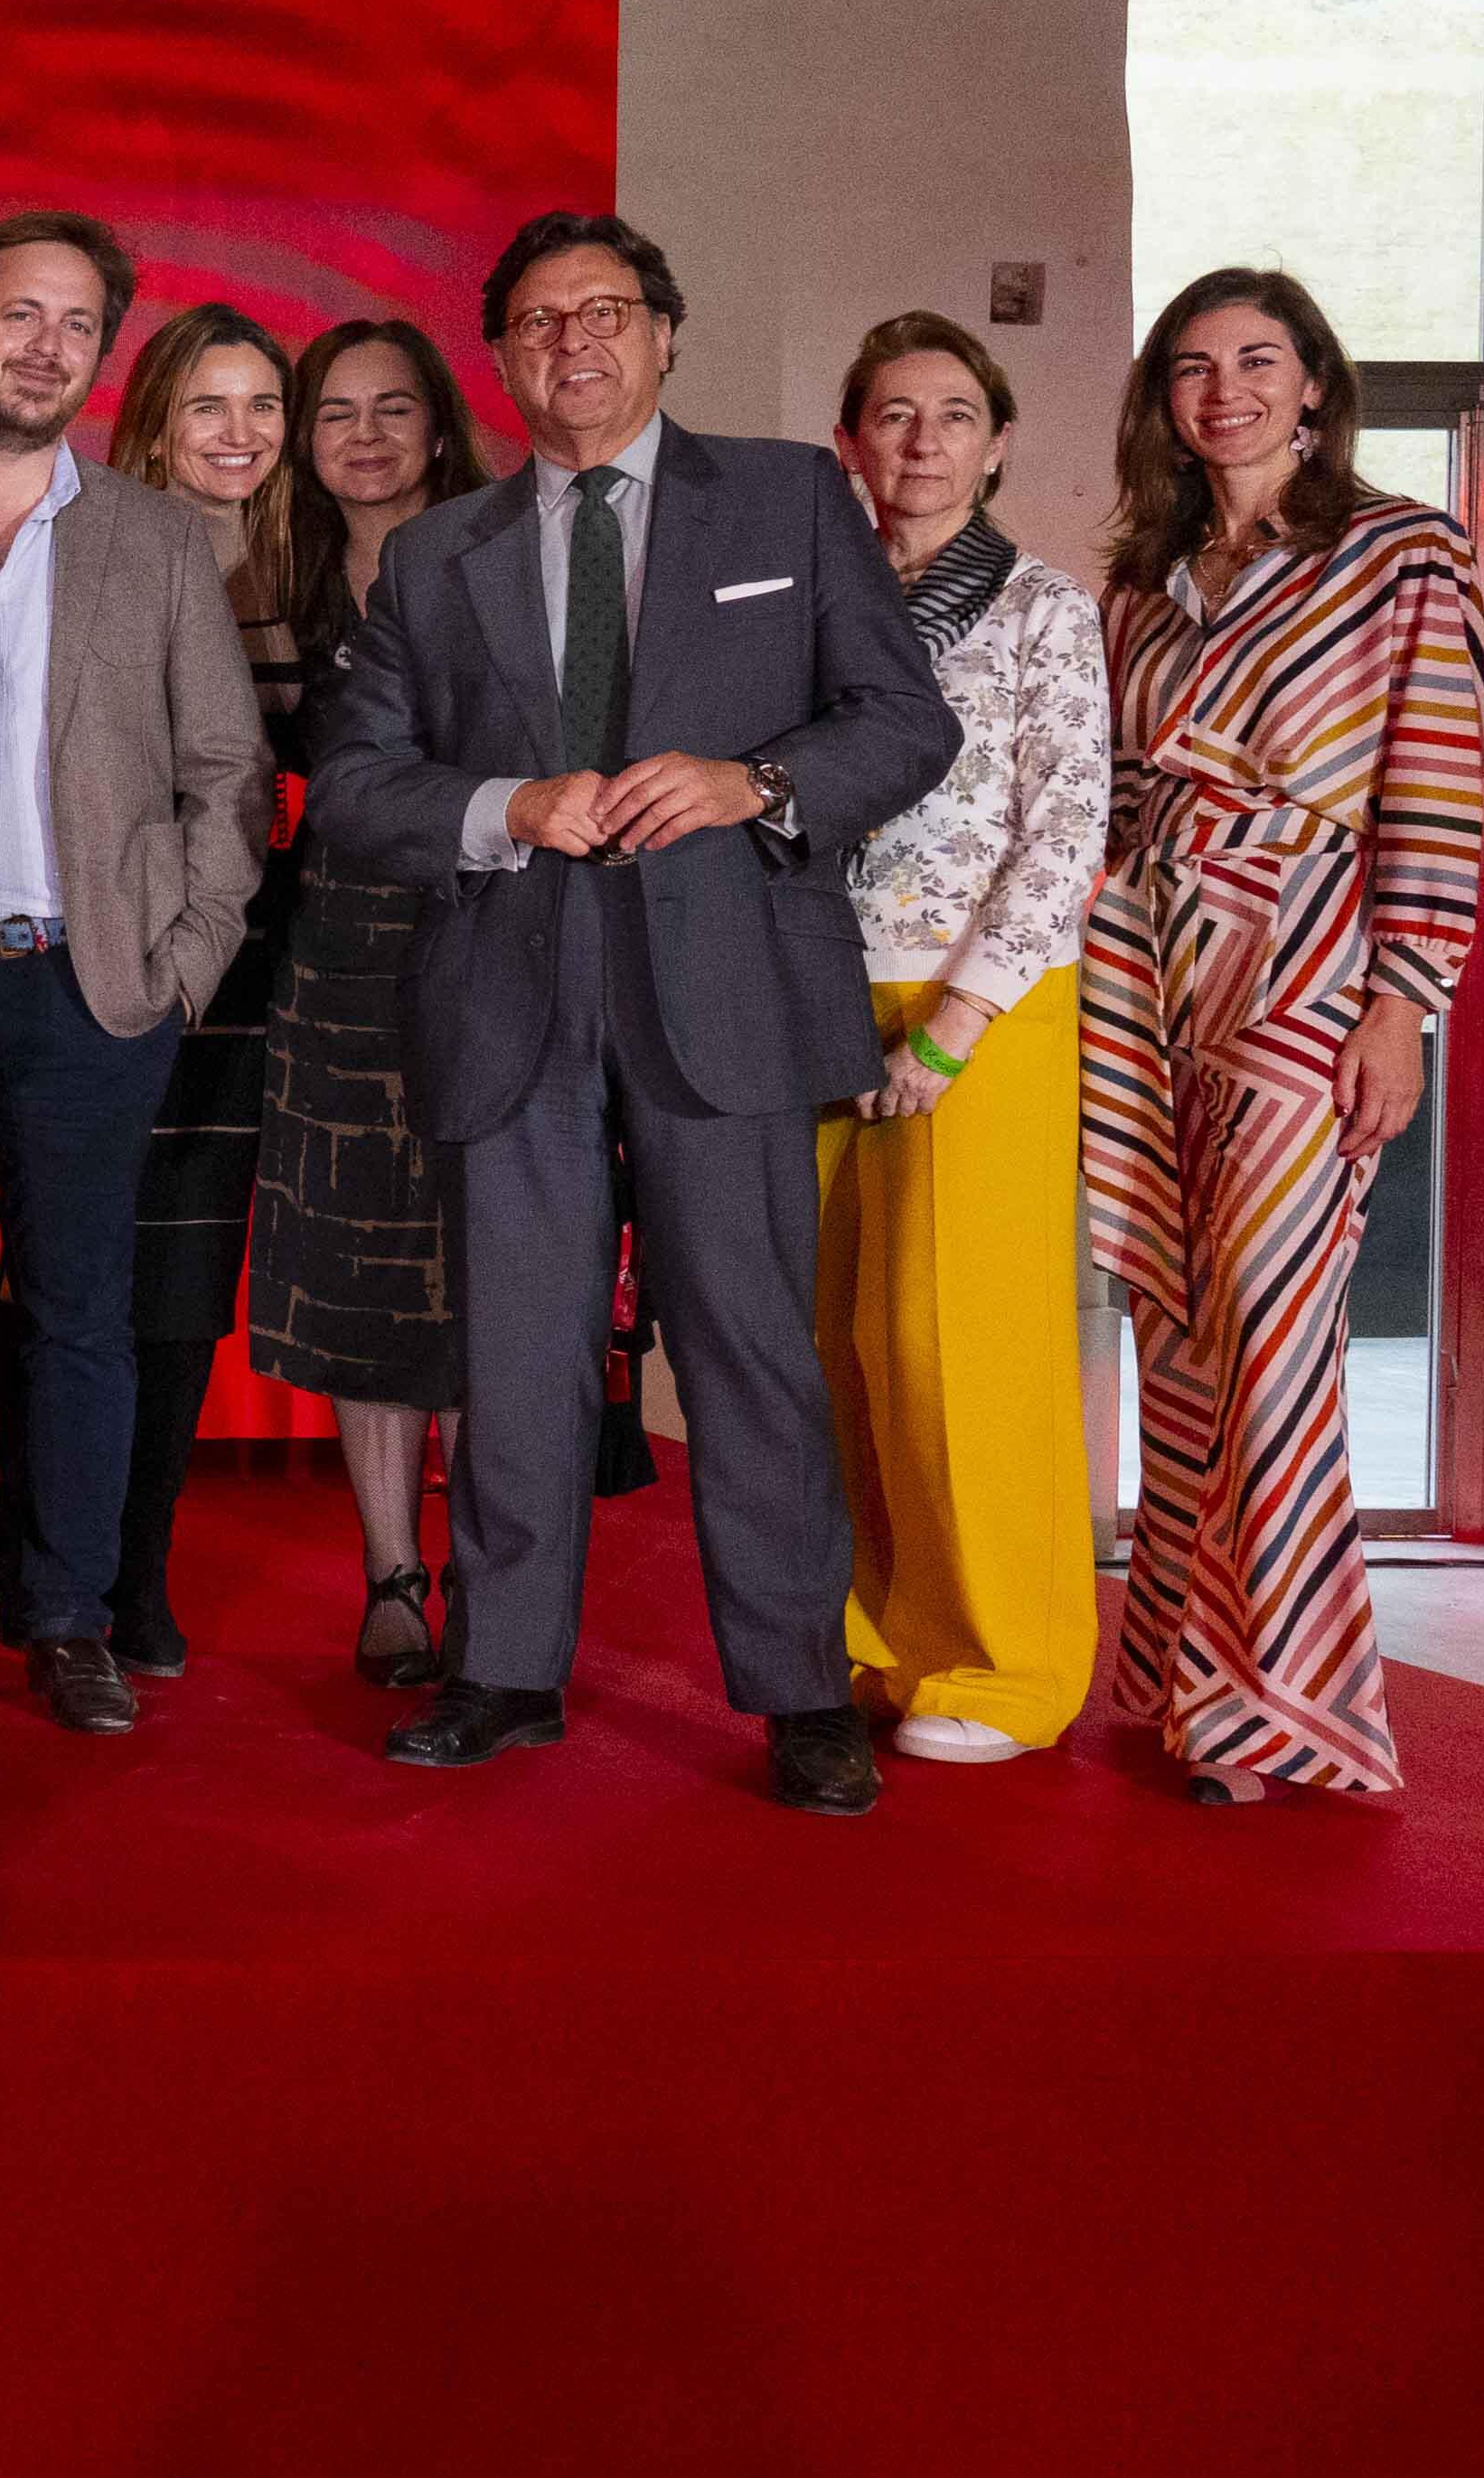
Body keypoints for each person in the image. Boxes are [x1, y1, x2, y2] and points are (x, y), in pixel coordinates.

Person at [312, 212, 958, 1814]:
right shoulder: (436, 554)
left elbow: (902, 719)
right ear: (504, 358)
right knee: (518, 1349)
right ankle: (506, 1670)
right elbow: (356, 786)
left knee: (749, 1350)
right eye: (536, 322)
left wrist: (763, 782)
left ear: (668, 334)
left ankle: (800, 1689)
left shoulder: (792, 498)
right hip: (510, 981)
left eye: (606, 312)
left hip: (724, 982)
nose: (573, 342)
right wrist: (504, 806)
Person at [0, 212, 267, 1735]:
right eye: (22, 314)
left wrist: (184, 961)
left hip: (89, 985)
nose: (46, 347)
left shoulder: (150, 537)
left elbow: (226, 766)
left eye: (79, 326)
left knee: (76, 1307)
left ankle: (64, 1613)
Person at [1085, 268, 1484, 1803]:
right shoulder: (1146, 574)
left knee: (1271, 1317)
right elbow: (1121, 794)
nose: (1226, 391)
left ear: (1316, 385)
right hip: (1150, 965)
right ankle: (1190, 1669)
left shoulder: (1401, 555)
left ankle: (1275, 1705)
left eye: (1259, 361)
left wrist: (1406, 1000)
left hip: (1306, 961)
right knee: (1177, 1320)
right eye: (1193, 367)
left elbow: (1436, 787)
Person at [812, 313, 1109, 1769]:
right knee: (850, 1344)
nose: (920, 441)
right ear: (852, 439)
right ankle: (890, 1645)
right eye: (891, 413)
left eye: (951, 414)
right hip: (816, 991)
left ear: (996, 444)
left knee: (961, 1344)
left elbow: (1068, 823)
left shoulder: (1043, 607)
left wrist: (957, 1024)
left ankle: (1009, 1666)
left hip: (976, 1005)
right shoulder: (821, 591)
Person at [247, 319, 500, 1683]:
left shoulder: (499, 563)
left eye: (393, 409)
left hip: (487, 937)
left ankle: (497, 1565)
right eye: (333, 412)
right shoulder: (268, 578)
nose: (364, 436)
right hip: (334, 954)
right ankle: (392, 1572)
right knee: (363, 1268)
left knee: (491, 1259)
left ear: (440, 427)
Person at [71, 297, 307, 1675]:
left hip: (275, 968)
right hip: (143, 957)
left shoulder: (306, 566)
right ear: (155, 413)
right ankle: (78, 1576)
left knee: (184, 1284)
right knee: (101, 1270)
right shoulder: (94, 555)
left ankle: (127, 1570)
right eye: (208, 405)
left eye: (262, 405)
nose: (240, 434)